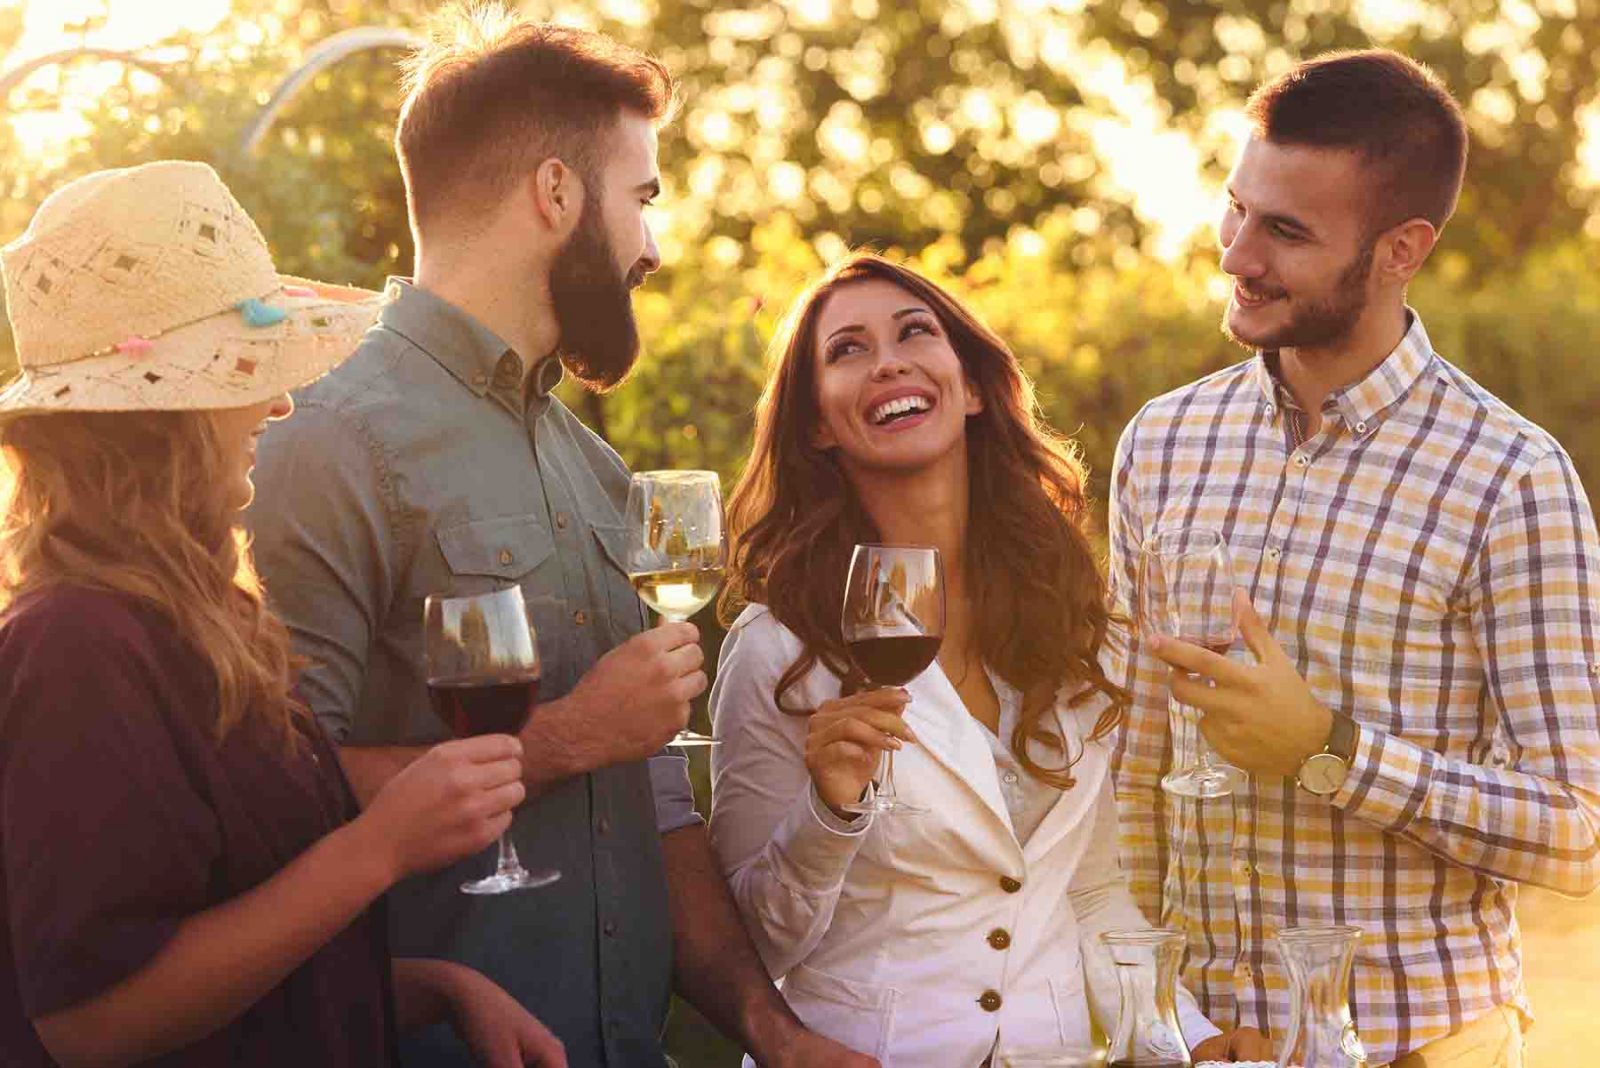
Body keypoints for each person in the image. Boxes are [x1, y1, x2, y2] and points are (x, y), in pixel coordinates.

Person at [243, 7, 875, 1067]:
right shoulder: (324, 436)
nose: (655, 248)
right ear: (555, 193)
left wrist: (773, 1032)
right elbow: (271, 795)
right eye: (642, 199)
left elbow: (657, 805)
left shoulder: (598, 475)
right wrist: (566, 737)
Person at [0, 160, 565, 1067]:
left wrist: (436, 989)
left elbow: (249, 951)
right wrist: (378, 850)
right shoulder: (74, 644)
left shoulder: (204, 617)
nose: (280, 399)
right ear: (155, 419)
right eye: (241, 371)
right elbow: (90, 1023)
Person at [1109, 49, 1600, 1068]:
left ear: (1399, 250)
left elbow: (1575, 831)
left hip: (1416, 1048)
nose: (1237, 255)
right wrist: (1168, 1024)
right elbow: (1133, 763)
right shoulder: (1161, 440)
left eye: (1285, 232)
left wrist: (1328, 751)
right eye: (1236, 210)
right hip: (1199, 1045)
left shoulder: (1509, 478)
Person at [708, 252, 1227, 1066]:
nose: (888, 360)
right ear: (815, 422)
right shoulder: (779, 651)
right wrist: (828, 812)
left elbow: (1088, 895)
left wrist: (1191, 1040)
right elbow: (753, 948)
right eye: (847, 350)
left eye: (915, 332)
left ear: (975, 387)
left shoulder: (1075, 625)